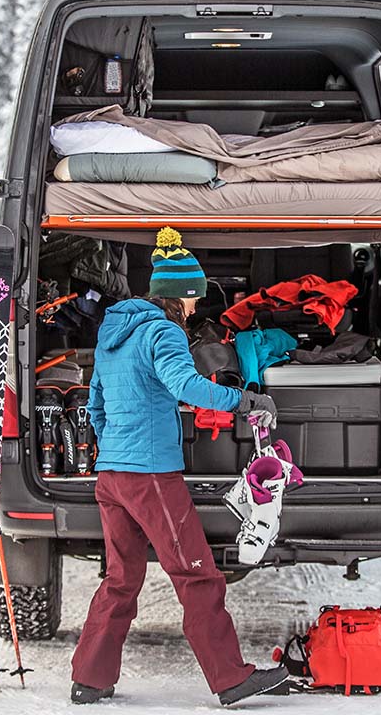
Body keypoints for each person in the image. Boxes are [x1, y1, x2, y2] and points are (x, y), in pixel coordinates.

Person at [70, 227, 285, 706]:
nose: (194, 309)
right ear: (180, 296)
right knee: (196, 574)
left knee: (121, 577)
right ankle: (230, 677)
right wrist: (245, 401)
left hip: (113, 477)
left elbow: (96, 405)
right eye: (193, 299)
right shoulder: (162, 331)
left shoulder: (114, 332)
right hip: (149, 475)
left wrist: (116, 449)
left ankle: (90, 676)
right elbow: (188, 387)